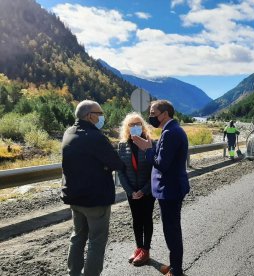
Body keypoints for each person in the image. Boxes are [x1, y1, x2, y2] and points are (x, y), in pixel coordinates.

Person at [61, 100, 124, 276]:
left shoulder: (68, 133)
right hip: (95, 200)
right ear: (90, 116)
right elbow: (116, 163)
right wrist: (105, 166)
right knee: (96, 241)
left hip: (74, 197)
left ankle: (73, 273)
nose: (102, 117)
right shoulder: (95, 137)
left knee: (77, 237)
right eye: (100, 113)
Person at [132, 100, 190, 276]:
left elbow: (162, 164)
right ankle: (175, 267)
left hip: (170, 190)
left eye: (153, 113)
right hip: (172, 188)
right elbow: (165, 156)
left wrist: (148, 150)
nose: (151, 117)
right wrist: (151, 146)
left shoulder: (171, 132)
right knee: (172, 228)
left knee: (171, 230)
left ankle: (176, 270)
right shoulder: (172, 130)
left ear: (164, 114)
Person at [117, 112, 155, 266]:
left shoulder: (150, 143)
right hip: (131, 191)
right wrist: (130, 190)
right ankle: (138, 248)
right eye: (131, 125)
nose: (135, 127)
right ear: (127, 127)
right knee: (136, 219)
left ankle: (146, 250)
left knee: (146, 219)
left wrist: (144, 190)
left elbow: (155, 170)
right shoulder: (122, 145)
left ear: (143, 126)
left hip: (147, 191)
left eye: (138, 124)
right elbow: (120, 171)